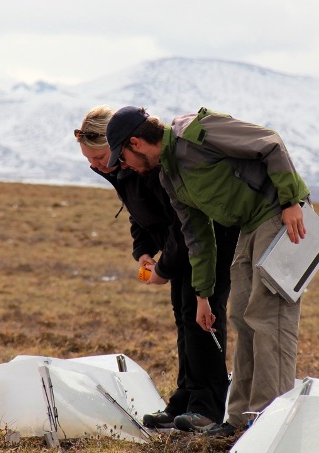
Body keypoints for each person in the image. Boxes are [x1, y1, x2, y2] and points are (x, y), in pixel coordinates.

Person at [105, 106, 310, 437]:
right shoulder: (169, 174)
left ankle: (268, 423)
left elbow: (270, 142)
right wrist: (203, 296)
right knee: (243, 317)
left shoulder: (197, 131)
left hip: (280, 215)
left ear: (136, 142)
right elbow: (198, 238)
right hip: (249, 226)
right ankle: (241, 421)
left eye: (123, 156)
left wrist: (290, 202)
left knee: (268, 319)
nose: (124, 166)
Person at [75, 105, 239, 432]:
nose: (97, 166)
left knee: (201, 318)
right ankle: (186, 398)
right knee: (183, 315)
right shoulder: (120, 169)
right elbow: (139, 213)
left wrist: (163, 268)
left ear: (125, 144)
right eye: (90, 160)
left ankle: (207, 407)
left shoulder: (148, 166)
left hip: (207, 241)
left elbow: (184, 225)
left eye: (101, 157)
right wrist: (144, 251)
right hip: (181, 246)